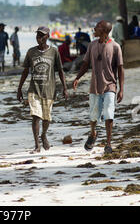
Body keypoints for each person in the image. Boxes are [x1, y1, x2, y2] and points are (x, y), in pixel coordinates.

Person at [73, 20, 124, 155]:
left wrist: (121, 89)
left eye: (97, 27)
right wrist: (77, 77)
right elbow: (85, 64)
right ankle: (93, 133)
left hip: (110, 86)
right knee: (93, 114)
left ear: (104, 30)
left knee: (108, 112)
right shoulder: (92, 45)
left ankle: (108, 143)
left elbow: (120, 69)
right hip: (95, 86)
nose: (94, 28)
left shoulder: (115, 47)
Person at [17, 26, 68, 153]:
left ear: (47, 37)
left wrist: (65, 88)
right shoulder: (31, 52)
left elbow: (60, 71)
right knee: (35, 116)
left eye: (42, 35)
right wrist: (19, 89)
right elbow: (25, 71)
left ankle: (44, 134)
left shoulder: (54, 52)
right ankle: (36, 145)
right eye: (38, 35)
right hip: (34, 89)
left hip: (49, 90)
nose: (39, 38)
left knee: (46, 118)